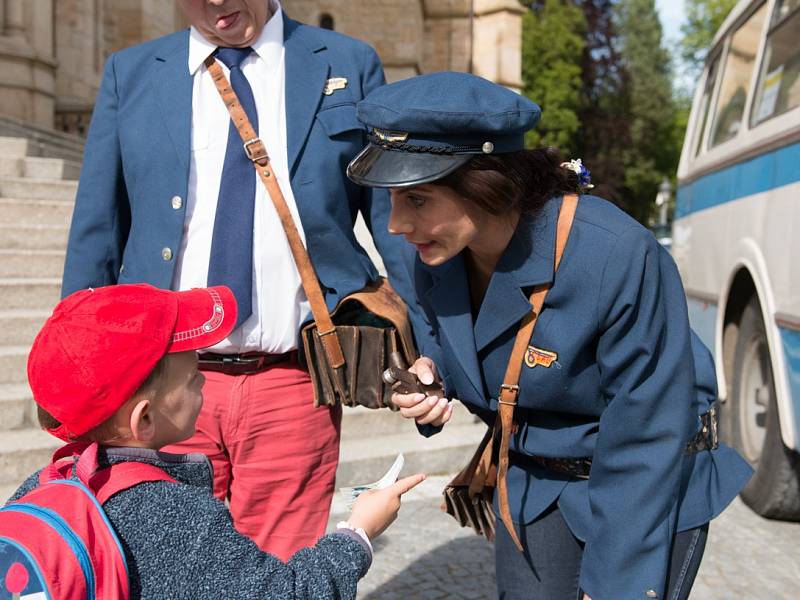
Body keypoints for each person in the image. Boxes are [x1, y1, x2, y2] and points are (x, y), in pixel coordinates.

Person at [346, 72, 754, 600]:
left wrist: (614, 585)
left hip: (642, 486)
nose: (396, 225)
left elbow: (647, 433)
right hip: (535, 485)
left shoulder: (614, 255)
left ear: (485, 182)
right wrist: (435, 376)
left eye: (418, 200)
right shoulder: (434, 253)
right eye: (391, 200)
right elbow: (466, 347)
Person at [60, 0, 420, 560]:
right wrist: (80, 374)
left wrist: (432, 347)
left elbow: (395, 223)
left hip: (293, 383)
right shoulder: (130, 73)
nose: (216, 2)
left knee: (280, 575)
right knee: (164, 570)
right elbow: (97, 232)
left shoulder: (347, 61)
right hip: (163, 384)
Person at [8, 283, 424, 599]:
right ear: (145, 418)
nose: (204, 378)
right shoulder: (175, 517)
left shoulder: (39, 487)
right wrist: (358, 534)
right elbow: (288, 592)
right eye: (192, 377)